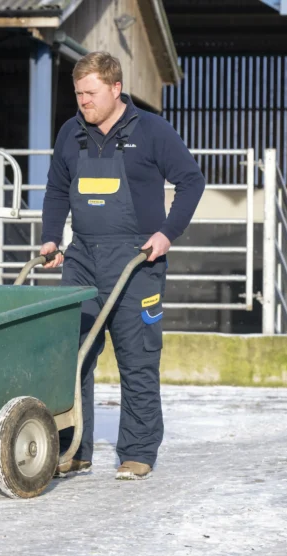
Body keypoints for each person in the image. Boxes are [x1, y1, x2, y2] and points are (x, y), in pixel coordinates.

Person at [40, 51, 205, 480]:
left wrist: (167, 234)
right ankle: (74, 448)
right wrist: (52, 237)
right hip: (83, 258)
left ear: (116, 88)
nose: (83, 102)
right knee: (72, 357)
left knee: (137, 358)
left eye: (91, 93)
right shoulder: (70, 133)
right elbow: (57, 190)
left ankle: (138, 451)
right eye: (78, 93)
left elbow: (191, 181)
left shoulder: (151, 131)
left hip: (137, 259)